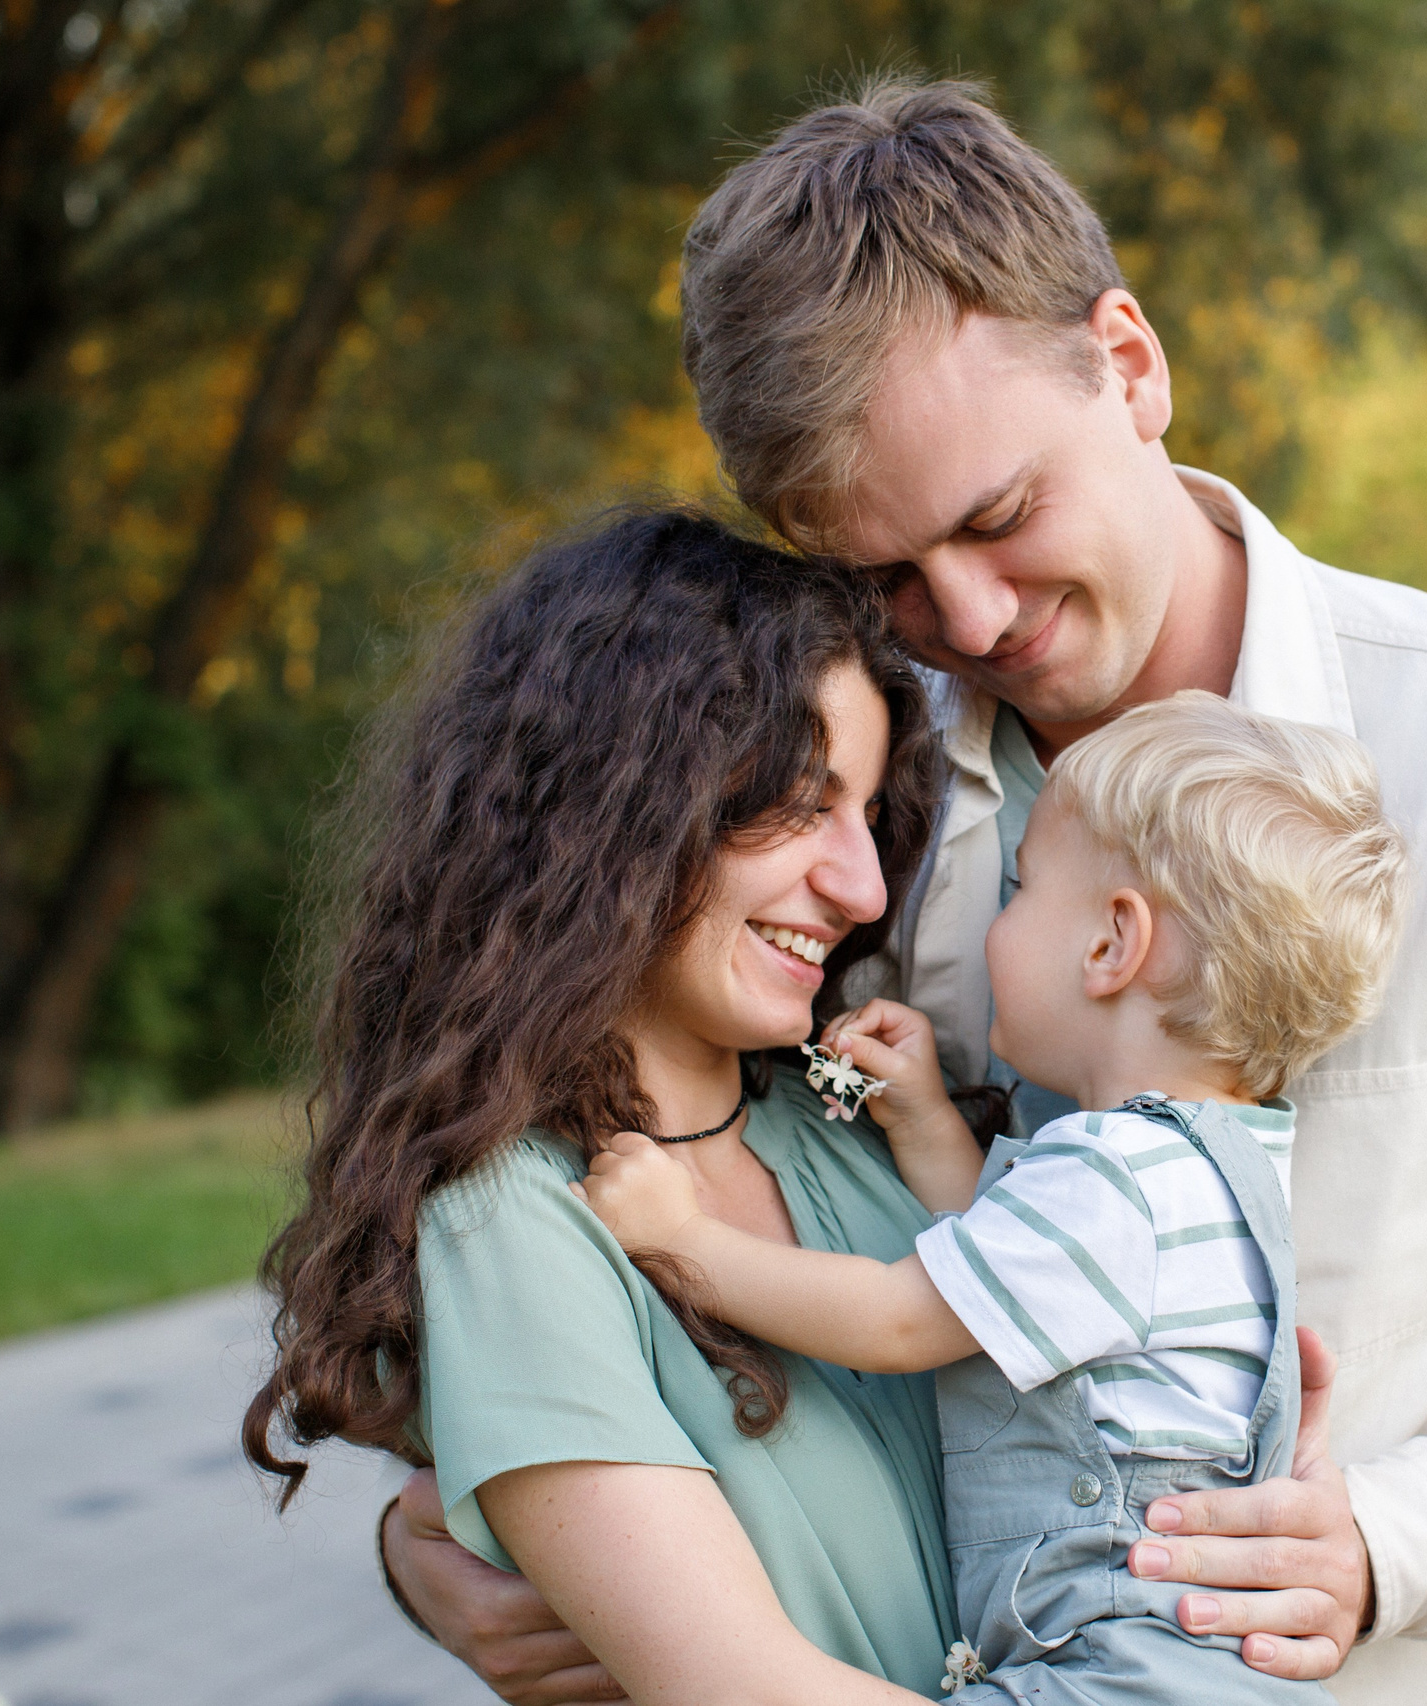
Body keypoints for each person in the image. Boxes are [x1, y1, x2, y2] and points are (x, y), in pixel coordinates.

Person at [390, 77, 1427, 1705]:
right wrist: (457, 1540)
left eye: (1001, 516)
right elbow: (640, 1163)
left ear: (1130, 365)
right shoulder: (858, 823)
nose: (972, 615)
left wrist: (1393, 1537)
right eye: (885, 576)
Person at [246, 509, 982, 1700]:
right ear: (616, 811)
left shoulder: (868, 1120)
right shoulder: (513, 1220)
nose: (860, 885)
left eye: (869, 817)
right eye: (799, 802)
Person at [580, 693, 1406, 1704]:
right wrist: (926, 1119)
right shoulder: (1212, 1165)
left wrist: (682, 1236)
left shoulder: (1115, 1179)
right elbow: (1014, 1275)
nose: (996, 919)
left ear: (1111, 944)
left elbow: (899, 1318)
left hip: (1120, 1669)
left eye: (1020, 888)